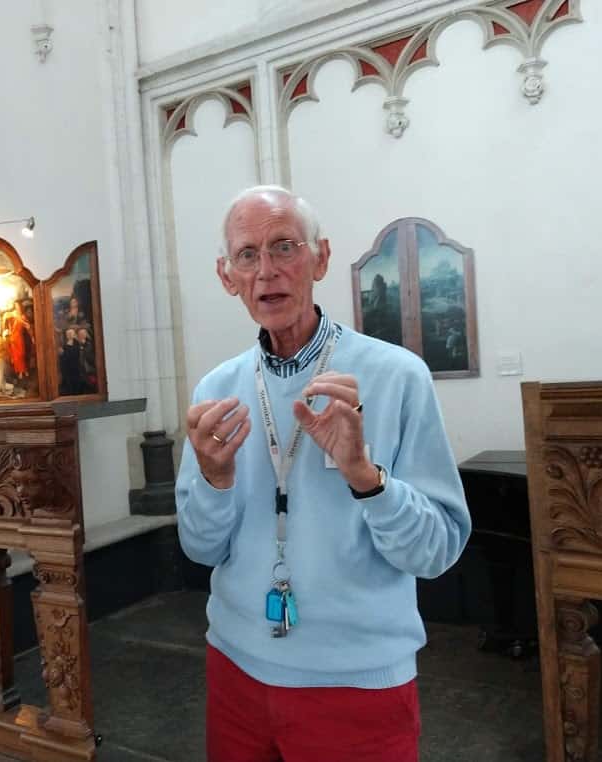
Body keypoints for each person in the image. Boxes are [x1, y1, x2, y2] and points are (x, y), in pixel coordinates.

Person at [176, 185, 470, 762]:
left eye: (284, 247)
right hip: (235, 672)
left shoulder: (397, 376)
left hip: (356, 686)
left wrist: (366, 477)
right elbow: (199, 549)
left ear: (322, 257)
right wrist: (214, 480)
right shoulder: (217, 391)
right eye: (247, 255)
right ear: (226, 275)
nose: (266, 272)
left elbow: (437, 552)